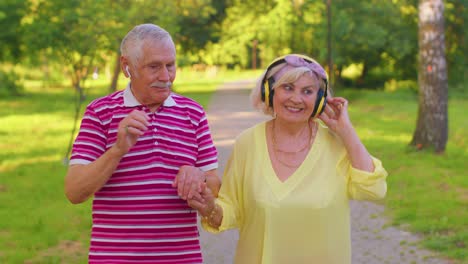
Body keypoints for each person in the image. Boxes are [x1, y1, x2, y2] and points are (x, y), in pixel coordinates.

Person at [188, 54, 388, 263]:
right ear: (269, 91)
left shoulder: (337, 145)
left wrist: (346, 131)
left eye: (308, 91)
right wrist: (210, 208)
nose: (296, 98)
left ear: (320, 100)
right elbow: (231, 210)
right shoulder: (246, 143)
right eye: (288, 88)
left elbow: (373, 190)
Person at [64, 23, 221, 263]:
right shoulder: (100, 113)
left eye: (170, 65)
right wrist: (117, 151)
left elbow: (214, 184)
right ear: (127, 66)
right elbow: (74, 191)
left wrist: (198, 175)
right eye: (154, 67)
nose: (166, 77)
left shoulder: (193, 112)